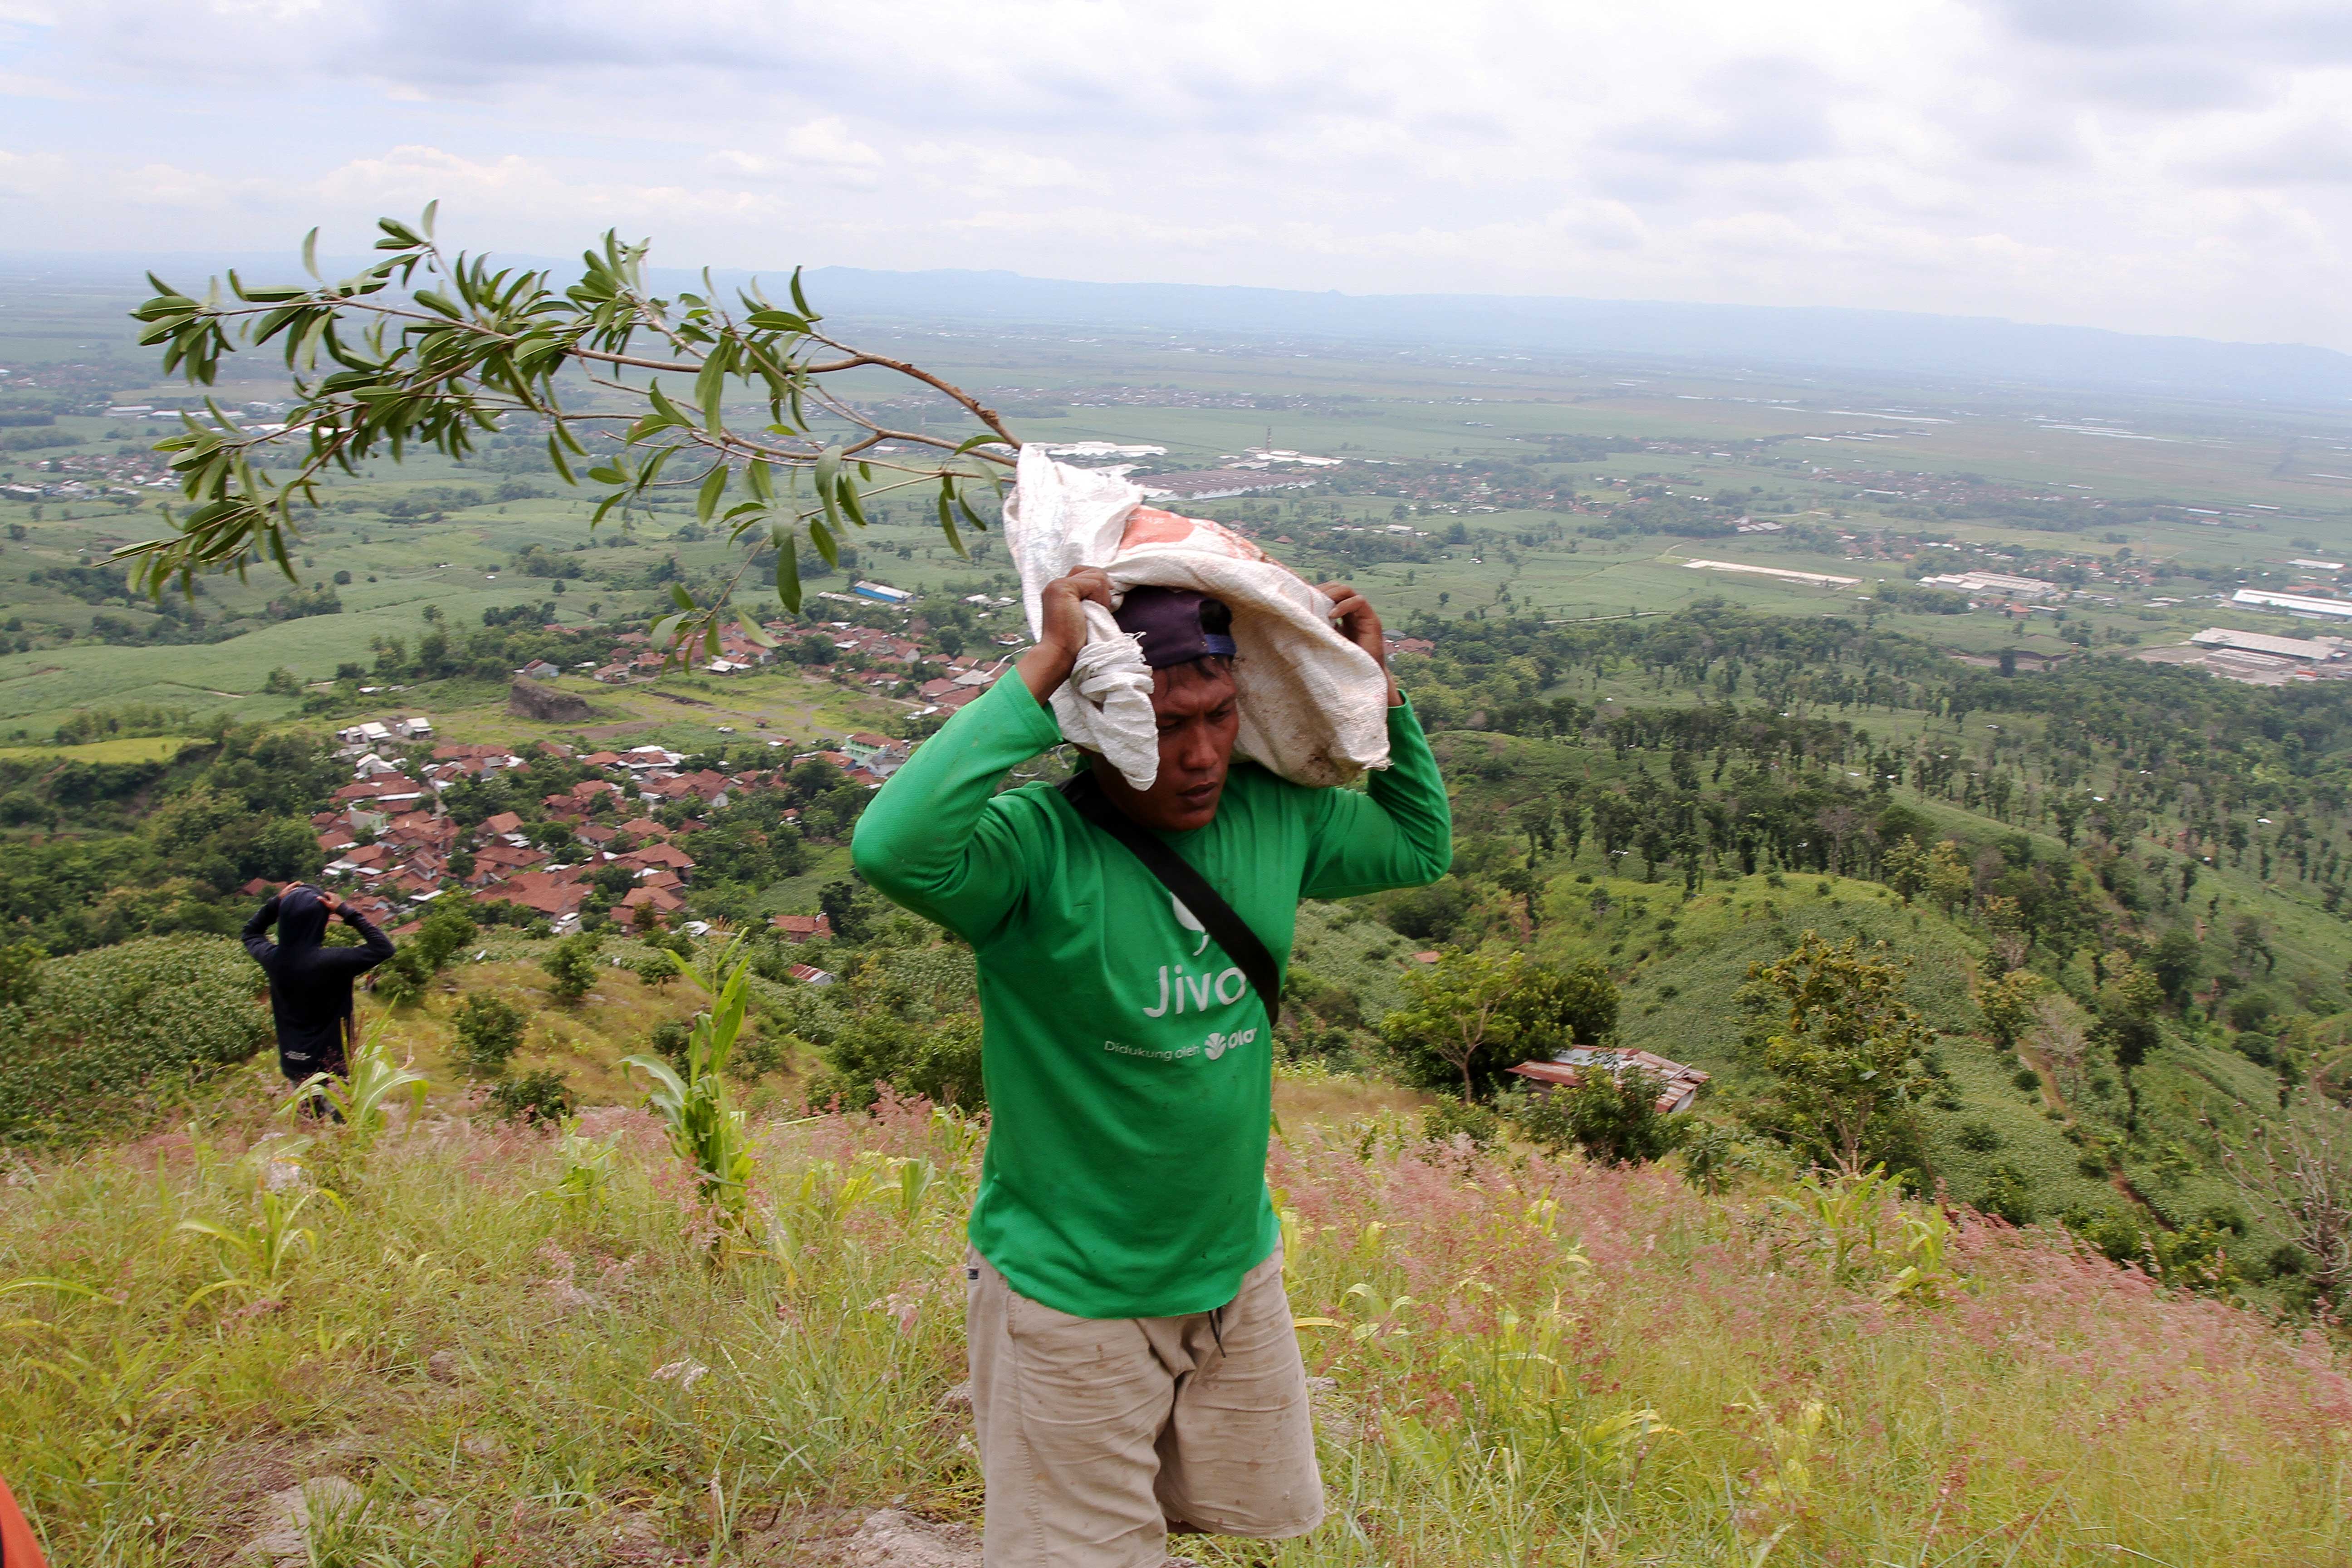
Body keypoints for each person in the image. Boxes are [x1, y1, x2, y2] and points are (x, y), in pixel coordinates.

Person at [853, 568, 1450, 1567]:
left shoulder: (1277, 817)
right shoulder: (1032, 855)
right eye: (1168, 726)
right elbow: (891, 847)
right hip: (1068, 1301)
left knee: (1217, 1531)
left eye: (1221, 716)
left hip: (1230, 1275)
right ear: (1100, 721)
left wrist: (1374, 689)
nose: (1204, 754)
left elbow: (1417, 845)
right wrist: (1043, 666)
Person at [241, 883, 394, 1107]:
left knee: (309, 1118)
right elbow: (384, 948)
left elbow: (250, 933)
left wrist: (275, 904)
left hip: (294, 1061)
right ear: (321, 923)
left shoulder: (273, 959)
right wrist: (345, 911)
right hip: (332, 1064)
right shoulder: (334, 961)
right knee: (340, 1121)